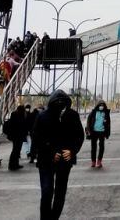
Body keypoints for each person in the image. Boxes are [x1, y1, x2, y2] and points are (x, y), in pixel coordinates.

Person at [32, 90, 84, 220]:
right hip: (46, 161)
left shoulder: (72, 115)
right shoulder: (43, 116)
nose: (61, 106)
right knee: (47, 191)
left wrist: (72, 150)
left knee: (60, 193)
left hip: (65, 161)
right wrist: (50, 152)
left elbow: (79, 136)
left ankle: (54, 217)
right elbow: (37, 138)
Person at [84, 101, 112, 168]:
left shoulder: (106, 113)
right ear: (97, 105)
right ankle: (93, 162)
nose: (101, 106)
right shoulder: (93, 112)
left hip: (102, 132)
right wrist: (88, 130)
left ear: (104, 106)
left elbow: (108, 124)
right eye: (100, 105)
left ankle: (99, 161)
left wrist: (108, 133)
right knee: (93, 147)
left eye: (102, 105)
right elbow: (88, 121)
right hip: (94, 132)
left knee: (101, 147)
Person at [4, 105, 28, 170]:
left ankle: (14, 164)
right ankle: (13, 165)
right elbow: (22, 125)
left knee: (15, 150)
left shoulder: (14, 114)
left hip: (15, 136)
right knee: (16, 151)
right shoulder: (20, 116)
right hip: (18, 136)